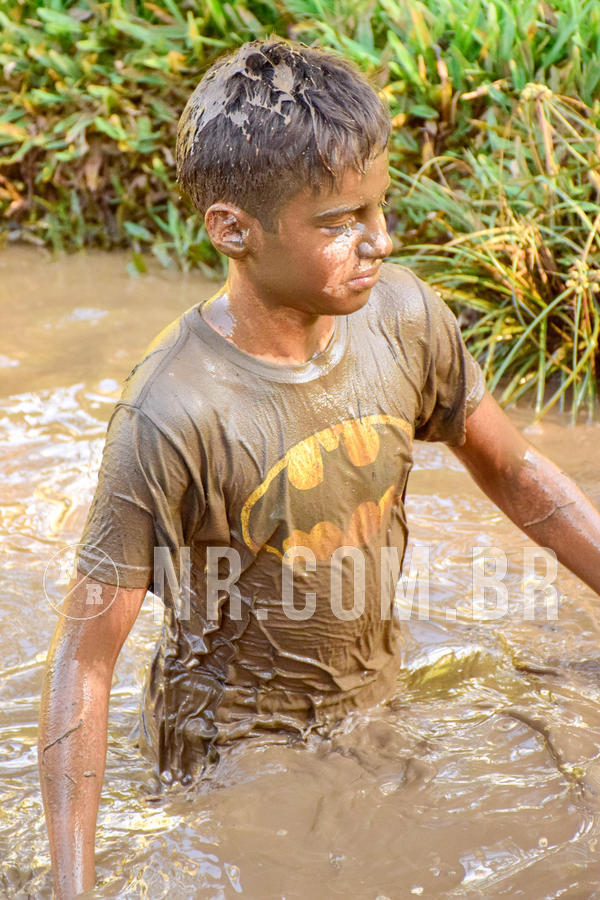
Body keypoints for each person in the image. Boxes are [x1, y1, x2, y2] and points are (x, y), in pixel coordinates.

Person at [38, 37, 600, 898]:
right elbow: (85, 659)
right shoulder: (173, 412)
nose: (379, 241)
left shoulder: (405, 318)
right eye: (339, 223)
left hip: (373, 699)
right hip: (235, 758)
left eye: (379, 208)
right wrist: (70, 888)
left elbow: (518, 474)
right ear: (234, 228)